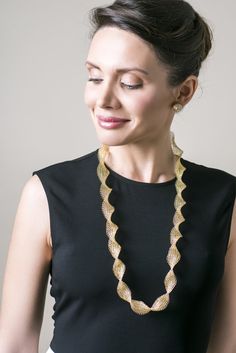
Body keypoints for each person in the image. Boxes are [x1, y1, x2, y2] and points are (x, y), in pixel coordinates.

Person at [0, 0, 235, 352]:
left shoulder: (224, 200)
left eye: (129, 83)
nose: (103, 99)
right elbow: (14, 345)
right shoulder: (47, 194)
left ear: (183, 91)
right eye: (94, 77)